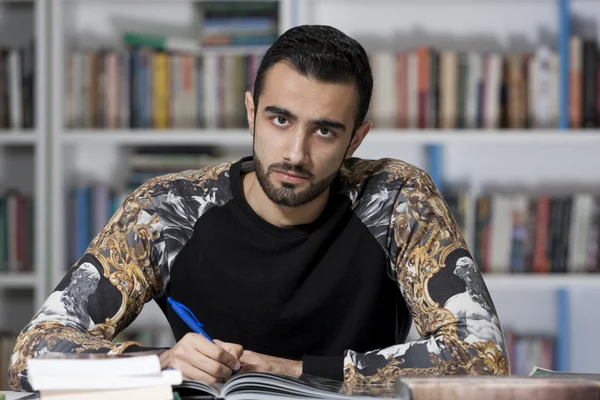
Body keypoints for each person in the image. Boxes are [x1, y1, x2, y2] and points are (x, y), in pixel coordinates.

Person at [9, 25, 509, 391]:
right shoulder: (166, 210)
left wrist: (284, 371)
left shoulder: (394, 198)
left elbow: (482, 356)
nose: (295, 152)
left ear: (357, 138)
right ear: (251, 112)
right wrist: (160, 360)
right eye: (279, 119)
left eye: (325, 130)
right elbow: (33, 352)